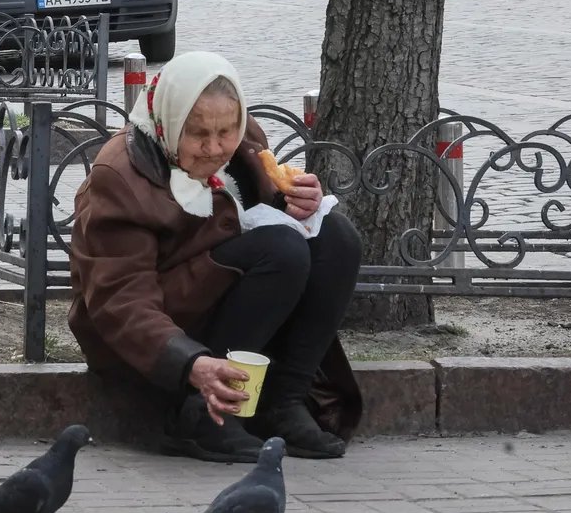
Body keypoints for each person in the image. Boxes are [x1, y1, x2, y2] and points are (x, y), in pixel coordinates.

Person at [69, 52, 364, 464]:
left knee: (336, 238)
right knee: (281, 250)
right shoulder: (120, 174)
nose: (214, 148)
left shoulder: (244, 141)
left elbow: (247, 211)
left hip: (221, 298)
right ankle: (199, 414)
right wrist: (190, 362)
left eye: (226, 130)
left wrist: (296, 202)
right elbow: (120, 299)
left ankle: (283, 402)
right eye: (198, 134)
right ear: (170, 123)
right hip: (150, 335)